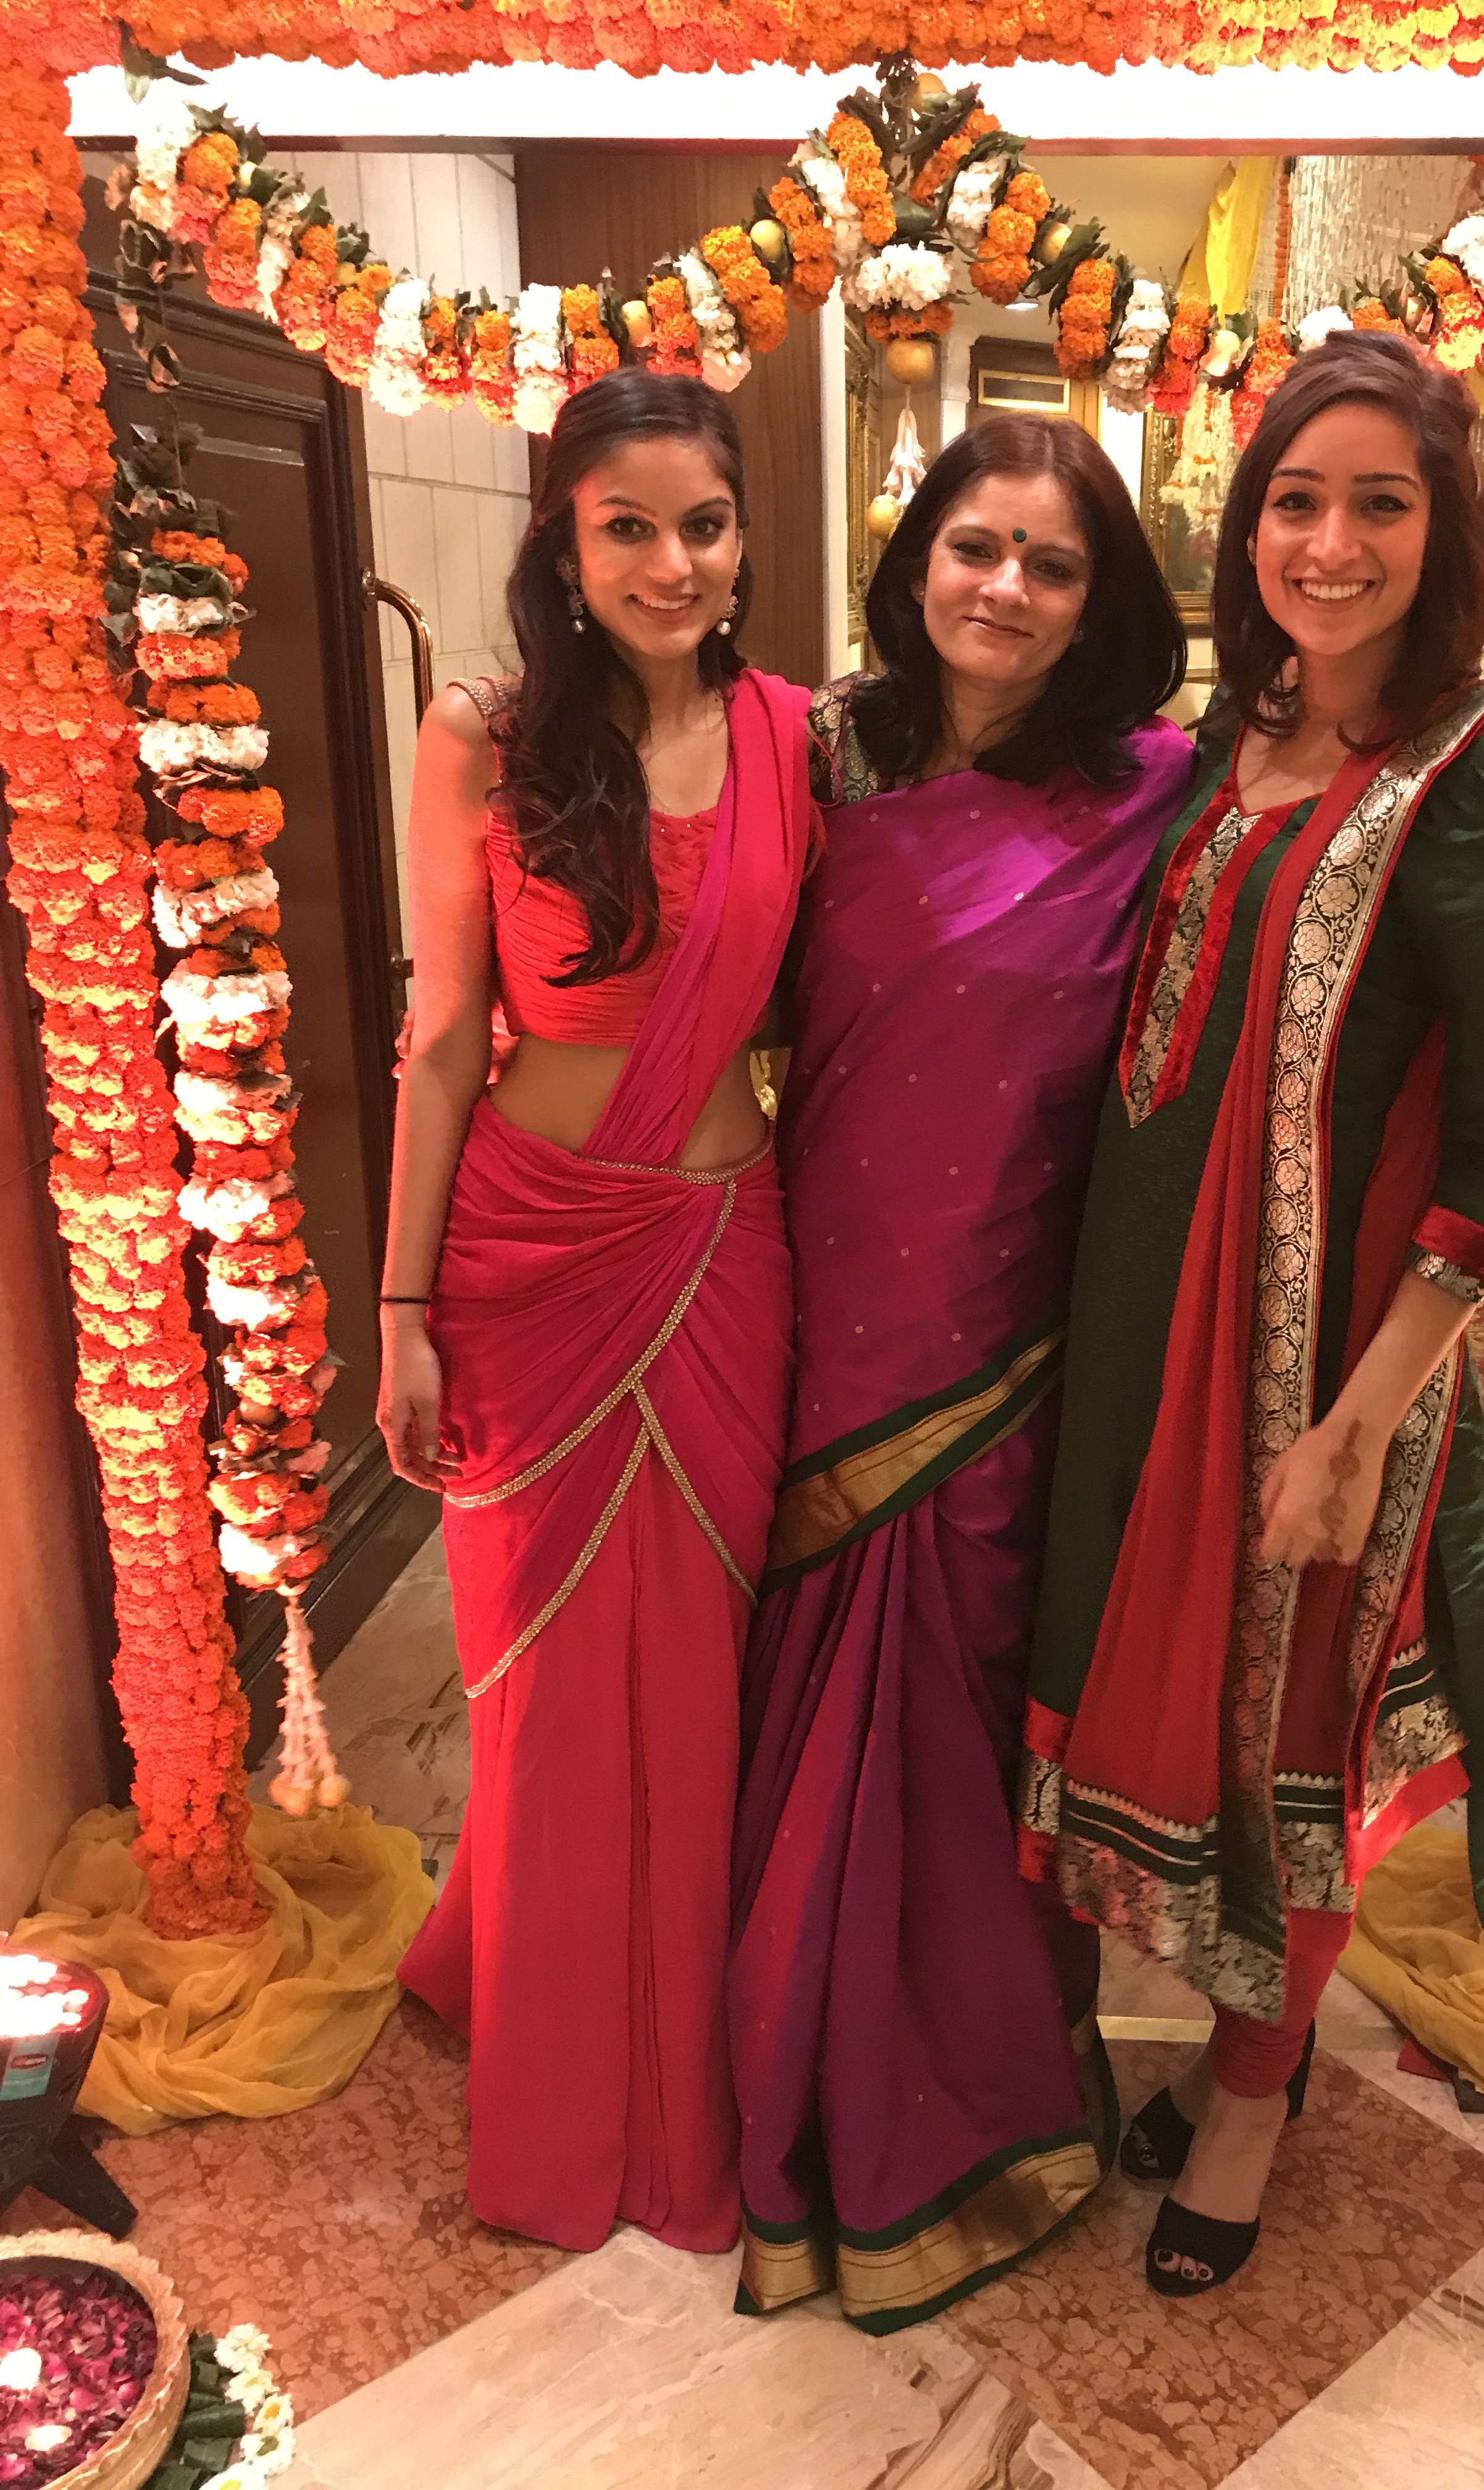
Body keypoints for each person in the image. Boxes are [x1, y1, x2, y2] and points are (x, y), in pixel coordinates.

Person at [1017, 330, 1484, 2298]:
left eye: (1381, 505)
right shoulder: (1229, 738)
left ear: (1447, 536)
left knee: (1289, 1729)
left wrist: (1359, 1426)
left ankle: (1255, 2097)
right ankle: (1213, 2051)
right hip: (1144, 1324)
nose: (1330, 544)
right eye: (1296, 500)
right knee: (1162, 1707)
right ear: (1244, 523)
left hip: (1325, 1355)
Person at [729, 416, 1193, 2332]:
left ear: (1102, 604)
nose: (1005, 587)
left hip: (1014, 1349)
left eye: (1052, 563)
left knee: (959, 1722)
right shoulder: (813, 757)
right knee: (801, 1697)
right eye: (975, 546)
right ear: (913, 559)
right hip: (810, 1317)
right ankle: (777, 2064)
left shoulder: (1160, 791)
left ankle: (967, 2105)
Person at [375, 371, 816, 2256]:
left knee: (702, 1678)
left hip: (722, 1255)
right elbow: (442, 1040)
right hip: (527, 1263)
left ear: (742, 538)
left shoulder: (798, 737)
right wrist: (401, 1303)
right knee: (545, 1688)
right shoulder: (479, 737)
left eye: (701, 524)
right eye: (626, 526)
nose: (669, 562)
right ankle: (556, 2069)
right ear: (564, 538)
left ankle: (685, 2061)